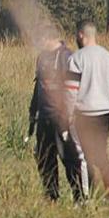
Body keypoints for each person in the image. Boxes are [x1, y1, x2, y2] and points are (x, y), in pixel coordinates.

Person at [66, 21, 109, 206]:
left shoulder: (76, 59)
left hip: (84, 115)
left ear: (81, 35)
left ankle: (85, 198)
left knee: (82, 157)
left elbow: (71, 91)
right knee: (102, 155)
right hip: (105, 114)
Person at [27, 37, 85, 202]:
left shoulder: (68, 58)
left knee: (70, 158)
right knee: (45, 158)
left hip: (62, 118)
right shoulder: (42, 58)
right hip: (44, 117)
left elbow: (75, 89)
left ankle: (79, 197)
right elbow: (37, 87)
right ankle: (51, 196)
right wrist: (33, 114)